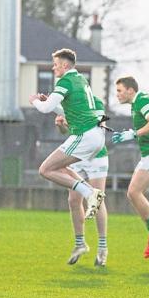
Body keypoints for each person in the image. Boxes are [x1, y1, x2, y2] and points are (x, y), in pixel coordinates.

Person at [29, 49, 106, 219]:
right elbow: (62, 110)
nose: (52, 68)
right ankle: (91, 193)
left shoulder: (65, 81)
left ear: (64, 65)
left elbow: (46, 108)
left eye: (55, 65)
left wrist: (34, 100)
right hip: (96, 136)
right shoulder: (80, 79)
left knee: (45, 170)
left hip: (84, 135)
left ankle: (89, 193)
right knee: (59, 167)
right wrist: (48, 101)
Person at [110, 76, 149, 258]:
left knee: (134, 192)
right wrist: (128, 135)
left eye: (120, 91)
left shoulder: (142, 99)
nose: (117, 95)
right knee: (132, 193)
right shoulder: (135, 105)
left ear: (131, 90)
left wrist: (133, 134)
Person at [56, 94, 109, 266]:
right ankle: (80, 243)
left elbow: (101, 128)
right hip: (77, 154)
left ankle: (102, 247)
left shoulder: (96, 102)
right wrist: (62, 126)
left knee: (96, 199)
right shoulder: (66, 104)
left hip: (96, 156)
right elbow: (66, 131)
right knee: (73, 200)